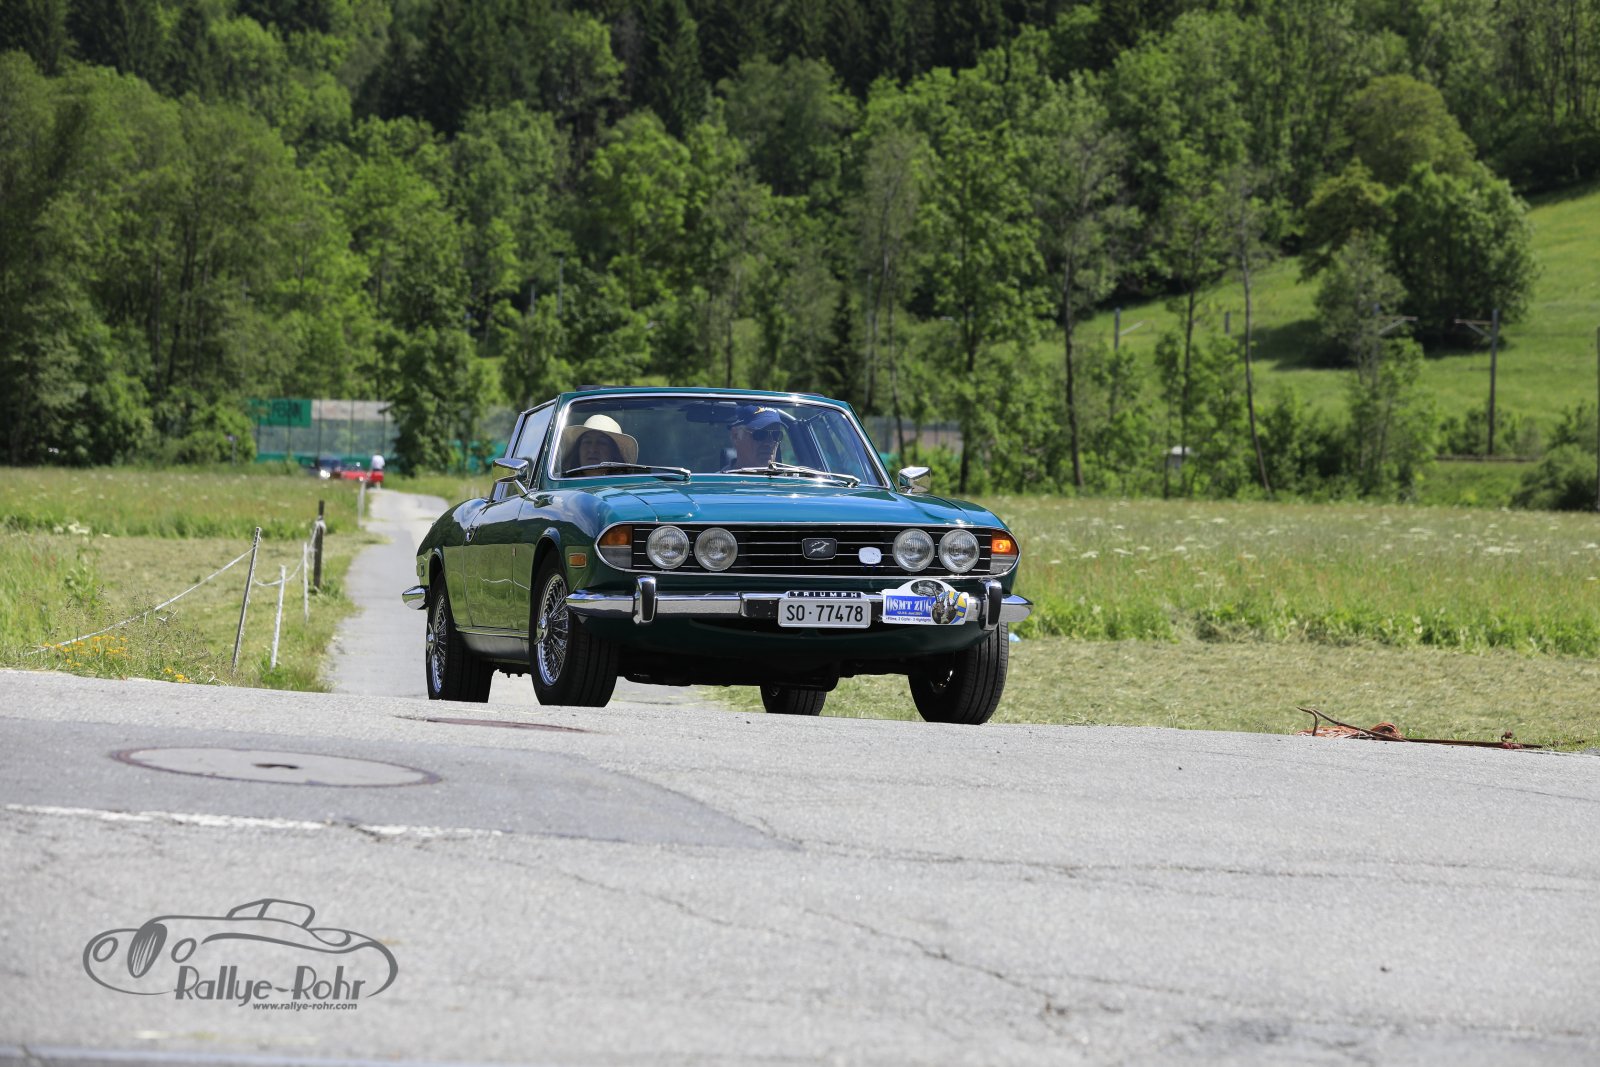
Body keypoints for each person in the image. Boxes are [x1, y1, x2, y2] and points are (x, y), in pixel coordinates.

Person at [557, 414, 639, 474]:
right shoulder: (562, 487)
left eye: (602, 442)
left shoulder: (624, 487)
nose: (592, 449)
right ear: (578, 450)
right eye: (587, 442)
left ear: (614, 452)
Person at [723, 406, 788, 470]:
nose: (769, 443)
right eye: (760, 434)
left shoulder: (788, 476)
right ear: (735, 436)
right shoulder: (720, 477)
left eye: (776, 435)